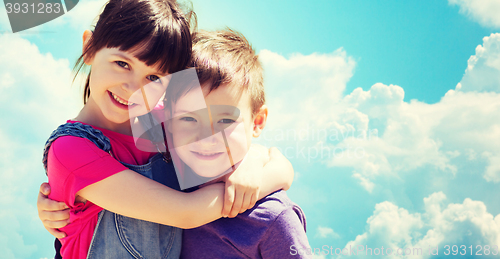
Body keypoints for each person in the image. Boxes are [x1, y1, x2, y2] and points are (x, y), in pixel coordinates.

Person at [37, 0, 294, 258]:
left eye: (153, 78)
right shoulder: (70, 150)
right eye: (122, 64)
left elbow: (278, 165)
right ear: (89, 47)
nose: (133, 88)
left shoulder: (164, 122)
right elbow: (186, 213)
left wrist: (251, 166)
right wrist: (250, 188)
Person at [162, 29, 311, 259]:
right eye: (189, 118)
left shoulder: (273, 219)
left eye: (225, 120)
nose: (205, 136)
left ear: (257, 122)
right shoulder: (163, 182)